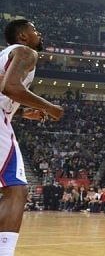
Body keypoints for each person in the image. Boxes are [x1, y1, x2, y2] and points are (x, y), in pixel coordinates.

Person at [0, 19, 64, 256]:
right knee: (16, 190)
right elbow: (11, 88)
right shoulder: (26, 52)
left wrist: (25, 111)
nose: (38, 33)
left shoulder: (5, 54)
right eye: (34, 30)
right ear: (23, 36)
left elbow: (4, 89)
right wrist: (50, 107)